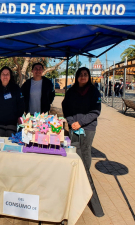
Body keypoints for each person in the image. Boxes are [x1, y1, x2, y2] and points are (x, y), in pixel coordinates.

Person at [62, 67, 104, 218]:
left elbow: (95, 112)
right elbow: (65, 107)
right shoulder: (71, 92)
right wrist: (72, 122)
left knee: (85, 154)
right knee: (74, 154)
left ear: (89, 77)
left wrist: (80, 122)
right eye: (80, 75)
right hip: (74, 128)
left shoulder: (94, 92)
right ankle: (77, 181)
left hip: (88, 128)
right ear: (77, 77)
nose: (83, 77)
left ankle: (85, 182)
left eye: (85, 75)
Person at [0, 66, 25, 137]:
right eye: (3, 74)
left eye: (7, 74)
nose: (5, 76)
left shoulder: (16, 88)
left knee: (10, 141)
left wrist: (19, 116)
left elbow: (21, 103)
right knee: (0, 140)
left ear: (10, 76)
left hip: (12, 122)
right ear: (0, 76)